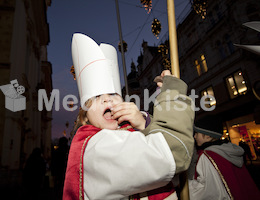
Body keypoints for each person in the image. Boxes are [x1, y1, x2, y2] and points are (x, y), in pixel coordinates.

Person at [63, 33, 194, 199]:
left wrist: (144, 124)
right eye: (96, 97)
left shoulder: (129, 133)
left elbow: (182, 167)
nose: (106, 99)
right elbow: (175, 151)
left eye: (113, 93)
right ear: (85, 118)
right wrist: (172, 94)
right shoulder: (96, 147)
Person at [188, 115, 260, 200]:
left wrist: (185, 184)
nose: (195, 136)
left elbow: (207, 192)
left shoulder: (208, 155)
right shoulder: (228, 149)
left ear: (207, 135)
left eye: (197, 133)